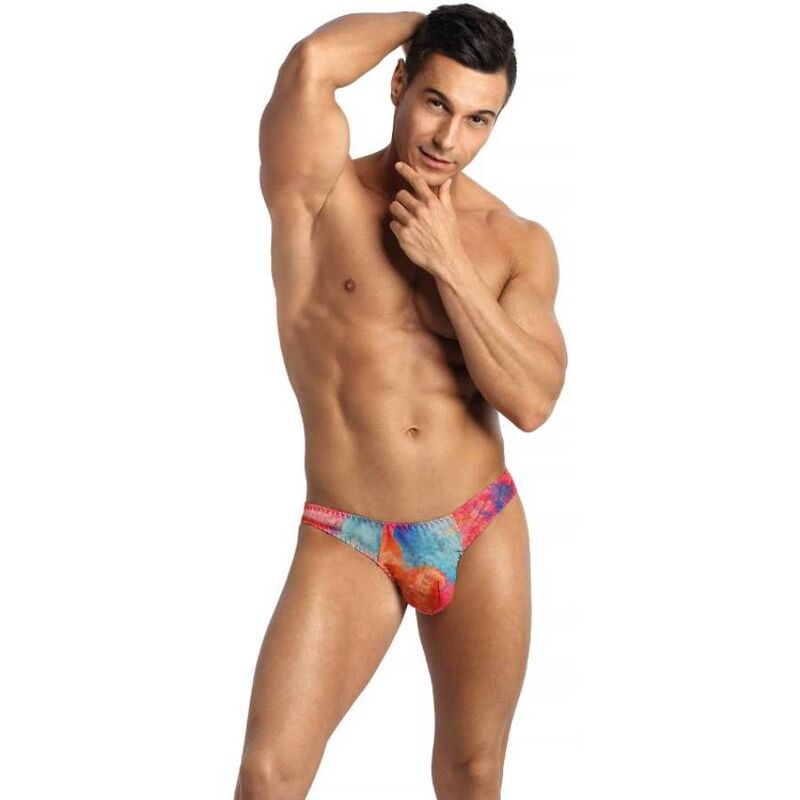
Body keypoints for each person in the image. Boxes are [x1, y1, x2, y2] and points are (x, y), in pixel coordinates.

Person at [234, 5, 568, 798]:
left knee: (472, 772)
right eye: (436, 102)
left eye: (479, 119)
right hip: (350, 532)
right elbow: (310, 64)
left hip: (479, 523)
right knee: (270, 775)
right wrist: (429, 21)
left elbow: (532, 401)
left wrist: (448, 262)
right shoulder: (321, 193)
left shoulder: (515, 240)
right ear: (398, 85)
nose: (450, 138)